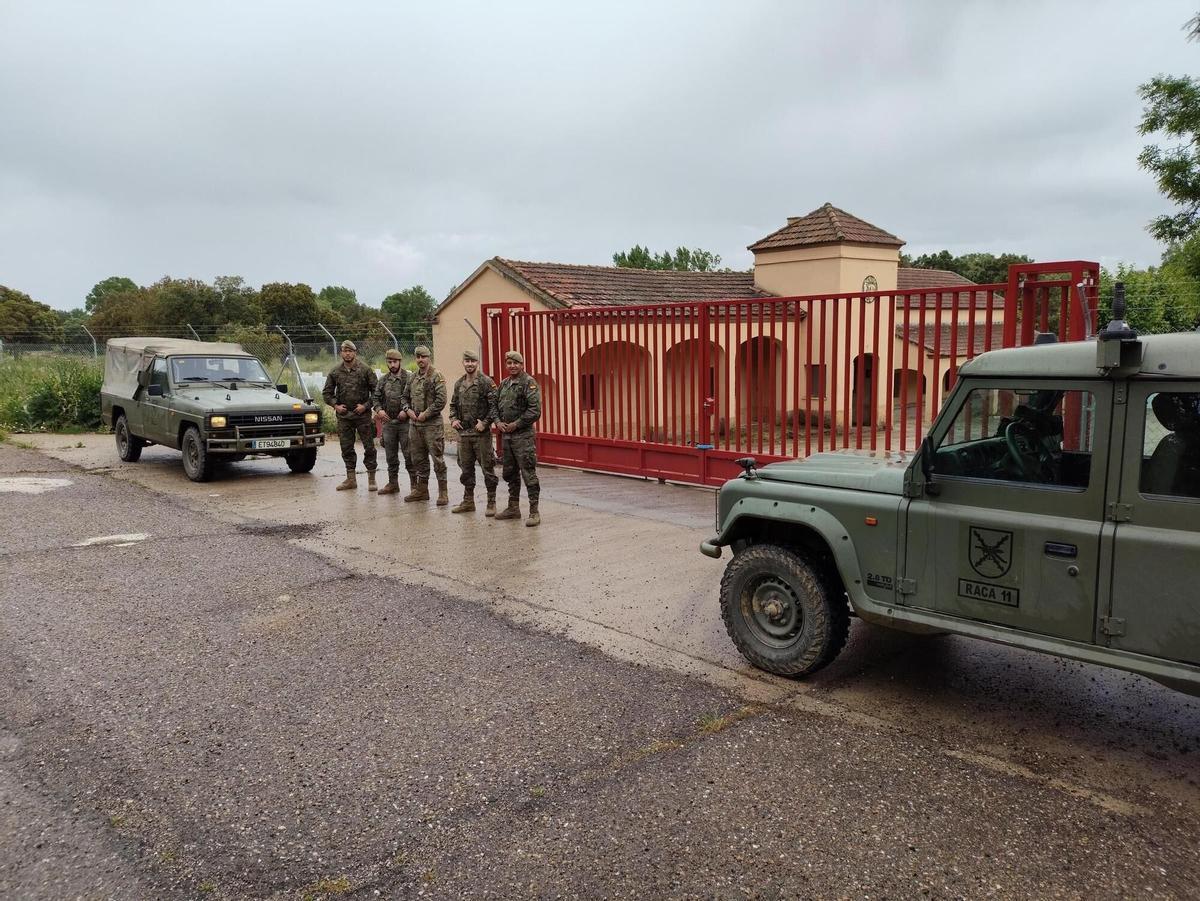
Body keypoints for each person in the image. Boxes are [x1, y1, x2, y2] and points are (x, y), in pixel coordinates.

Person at [492, 349, 542, 526]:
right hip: (507, 437)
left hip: (523, 436)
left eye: (515, 363)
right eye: (509, 363)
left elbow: (535, 410)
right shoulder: (504, 384)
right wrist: (498, 422)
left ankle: (534, 512)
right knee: (510, 473)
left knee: (528, 473)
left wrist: (517, 424)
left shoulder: (529, 383)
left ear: (522, 365)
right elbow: (494, 406)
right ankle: (513, 508)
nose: (512, 366)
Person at [322, 339, 378, 491]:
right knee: (346, 448)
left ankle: (372, 479)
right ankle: (351, 479)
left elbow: (377, 392)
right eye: (345, 351)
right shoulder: (335, 371)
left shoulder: (365, 370)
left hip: (362, 416)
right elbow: (327, 393)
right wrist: (336, 406)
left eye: (350, 351)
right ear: (341, 353)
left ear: (355, 353)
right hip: (344, 417)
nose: (347, 354)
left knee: (369, 447)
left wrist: (365, 406)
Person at [448, 349, 498, 515]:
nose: (470, 364)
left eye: (473, 361)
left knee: (487, 468)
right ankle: (468, 501)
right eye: (467, 361)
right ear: (463, 363)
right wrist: (453, 419)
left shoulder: (486, 382)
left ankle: (491, 502)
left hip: (481, 435)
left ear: (477, 362)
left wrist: (485, 423)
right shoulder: (459, 384)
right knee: (466, 469)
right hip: (464, 435)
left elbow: (494, 406)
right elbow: (453, 405)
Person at [401, 345, 448, 505]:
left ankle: (443, 492)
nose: (420, 360)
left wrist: (426, 414)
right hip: (415, 426)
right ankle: (422, 490)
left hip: (432, 426)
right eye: (418, 357)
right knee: (418, 459)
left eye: (423, 357)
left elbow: (441, 400)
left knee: (437, 458)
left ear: (429, 358)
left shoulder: (436, 376)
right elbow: (404, 397)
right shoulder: (412, 377)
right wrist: (408, 410)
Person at [372, 348, 417, 496]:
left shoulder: (408, 378)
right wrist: (379, 410)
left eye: (395, 362)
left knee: (409, 455)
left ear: (400, 362)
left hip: (405, 423)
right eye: (390, 362)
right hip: (389, 423)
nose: (392, 365)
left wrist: (406, 410)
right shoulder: (383, 380)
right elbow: (375, 398)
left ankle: (414, 486)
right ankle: (393, 484)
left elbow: (415, 397)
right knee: (390, 456)